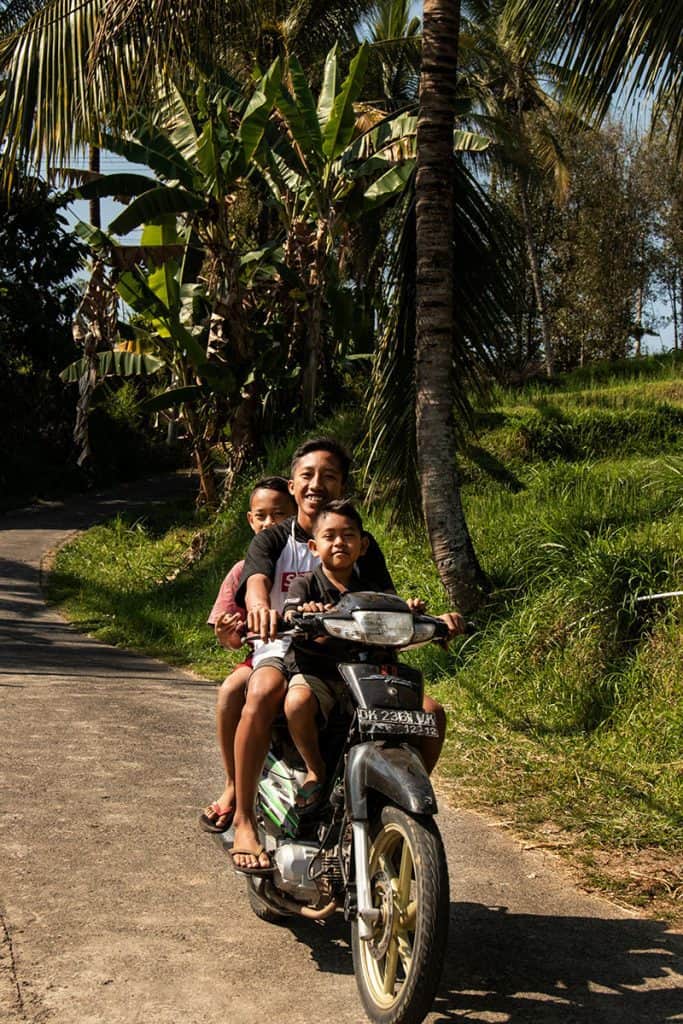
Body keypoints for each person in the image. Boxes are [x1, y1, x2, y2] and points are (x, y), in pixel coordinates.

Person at [228, 437, 462, 874]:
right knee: (260, 692)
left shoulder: (362, 545)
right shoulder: (274, 537)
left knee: (431, 713)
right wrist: (262, 610)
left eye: (329, 476)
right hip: (288, 643)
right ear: (293, 484)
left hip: (361, 659)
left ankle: (393, 810)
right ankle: (242, 815)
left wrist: (421, 617)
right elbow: (257, 581)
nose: (318, 484)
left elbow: (385, 600)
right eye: (308, 475)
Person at [281, 499, 431, 814]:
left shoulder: (376, 592)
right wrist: (304, 612)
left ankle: (405, 790)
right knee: (296, 703)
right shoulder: (305, 584)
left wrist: (414, 613)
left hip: (370, 677)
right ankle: (315, 769)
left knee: (433, 712)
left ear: (363, 545)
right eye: (329, 535)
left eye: (348, 536)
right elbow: (290, 611)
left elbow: (397, 615)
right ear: (313, 546)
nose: (339, 542)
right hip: (319, 674)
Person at [199, 477, 295, 833]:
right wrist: (228, 634)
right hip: (262, 657)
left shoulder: (315, 556)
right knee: (229, 692)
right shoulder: (242, 569)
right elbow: (233, 637)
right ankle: (233, 784)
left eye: (279, 514)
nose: (269, 523)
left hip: (308, 654)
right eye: (261, 516)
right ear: (250, 520)